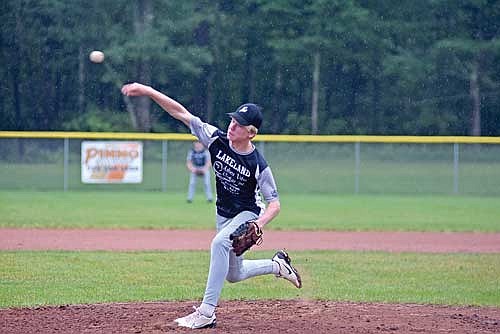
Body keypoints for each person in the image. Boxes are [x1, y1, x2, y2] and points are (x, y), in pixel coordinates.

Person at [121, 82, 301, 329]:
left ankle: (206, 312)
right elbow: (180, 113)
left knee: (219, 243)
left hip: (248, 212)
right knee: (233, 274)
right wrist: (148, 91)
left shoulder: (258, 163)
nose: (232, 126)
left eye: (238, 124)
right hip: (223, 214)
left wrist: (259, 223)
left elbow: (275, 204)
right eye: (232, 120)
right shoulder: (216, 139)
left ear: (251, 132)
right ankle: (277, 265)